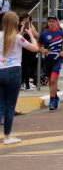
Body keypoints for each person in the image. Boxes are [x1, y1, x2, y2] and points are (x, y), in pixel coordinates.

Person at [0, 12, 41, 145]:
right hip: (14, 71)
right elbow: (35, 48)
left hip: (0, 70)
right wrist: (30, 34)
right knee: (10, 106)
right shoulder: (18, 38)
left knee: (1, 104)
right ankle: (7, 136)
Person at [39, 15, 63, 111]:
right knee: (50, 82)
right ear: (47, 23)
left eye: (53, 21)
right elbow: (38, 45)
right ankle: (56, 98)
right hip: (48, 60)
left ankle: (52, 101)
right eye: (49, 21)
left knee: (53, 80)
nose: (51, 23)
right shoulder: (44, 34)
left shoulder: (61, 33)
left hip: (58, 59)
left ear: (57, 22)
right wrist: (42, 50)